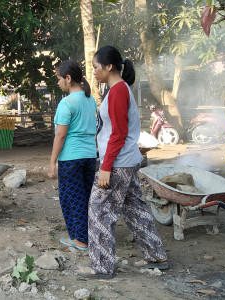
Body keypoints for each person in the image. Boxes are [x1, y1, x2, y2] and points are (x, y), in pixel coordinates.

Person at [79, 46, 167, 279]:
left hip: (118, 163)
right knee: (135, 208)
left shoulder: (118, 91)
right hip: (127, 160)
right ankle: (156, 255)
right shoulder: (119, 89)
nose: (94, 72)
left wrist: (105, 167)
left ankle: (102, 267)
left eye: (96, 67)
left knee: (98, 211)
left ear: (109, 67)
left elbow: (118, 133)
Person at [47, 60, 97, 251]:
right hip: (89, 156)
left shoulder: (67, 103)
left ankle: (80, 239)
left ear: (68, 78)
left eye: (59, 79)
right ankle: (86, 235)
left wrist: (52, 162)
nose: (58, 83)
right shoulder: (89, 99)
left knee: (71, 198)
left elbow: (60, 135)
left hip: (71, 158)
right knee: (85, 196)